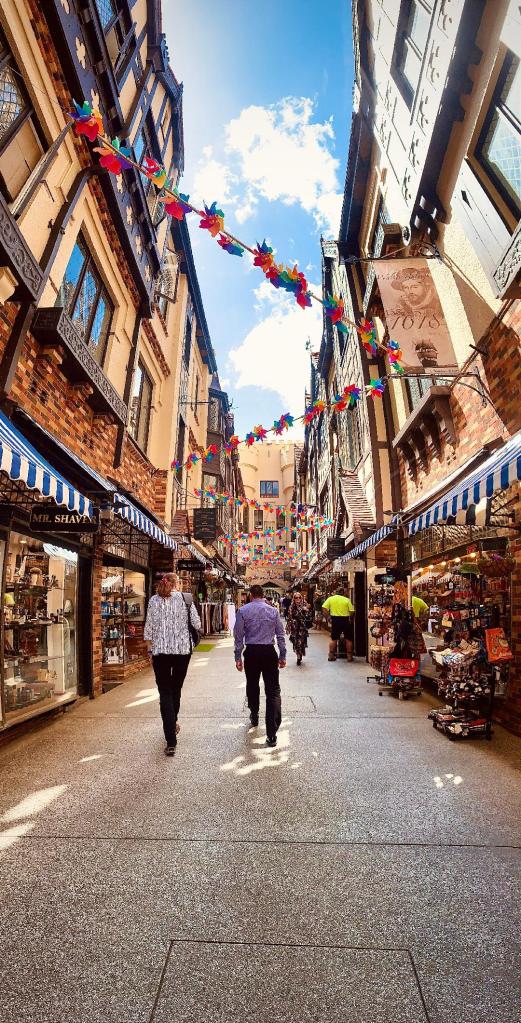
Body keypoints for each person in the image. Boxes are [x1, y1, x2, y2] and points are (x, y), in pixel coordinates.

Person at [144, 573, 201, 756]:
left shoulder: (154, 600)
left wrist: (150, 651)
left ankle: (170, 740)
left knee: (165, 692)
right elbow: (197, 623)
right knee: (176, 689)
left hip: (160, 652)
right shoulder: (186, 599)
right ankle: (173, 722)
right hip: (182, 651)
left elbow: (149, 628)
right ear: (178, 583)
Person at [234, 583, 286, 747]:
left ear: (250, 595)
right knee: (273, 691)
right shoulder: (273, 611)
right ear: (263, 595)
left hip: (252, 652)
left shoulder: (243, 611)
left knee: (252, 683)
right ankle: (272, 734)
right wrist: (282, 654)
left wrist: (238, 656)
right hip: (269, 651)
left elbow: (238, 636)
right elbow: (280, 634)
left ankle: (254, 713)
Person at [322, 586, 355, 662]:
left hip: (335, 620)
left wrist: (328, 617)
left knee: (334, 638)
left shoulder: (331, 599)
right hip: (345, 620)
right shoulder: (347, 600)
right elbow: (352, 611)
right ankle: (349, 657)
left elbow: (324, 608)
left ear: (336, 592)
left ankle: (331, 656)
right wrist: (350, 618)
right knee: (348, 638)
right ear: (343, 592)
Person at [287, 591, 311, 666]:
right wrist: (289, 626)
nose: (298, 599)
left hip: (302, 628)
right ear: (293, 598)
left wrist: (306, 610)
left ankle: (299, 656)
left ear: (301, 598)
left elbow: (308, 617)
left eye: (299, 597)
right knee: (296, 642)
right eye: (296, 597)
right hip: (295, 627)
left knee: (300, 642)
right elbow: (289, 617)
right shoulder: (291, 606)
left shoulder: (305, 605)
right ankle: (298, 655)